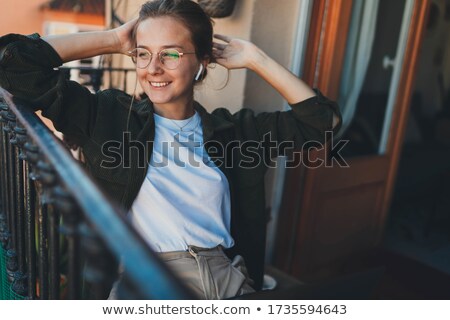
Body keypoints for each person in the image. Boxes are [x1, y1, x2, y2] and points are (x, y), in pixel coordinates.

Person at [0, 0, 341, 299]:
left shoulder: (235, 133)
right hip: (144, 280)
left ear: (202, 61)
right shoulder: (108, 117)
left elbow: (321, 123)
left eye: (171, 54)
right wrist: (113, 39)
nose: (153, 69)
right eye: (143, 54)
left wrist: (257, 59)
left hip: (225, 279)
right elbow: (11, 64)